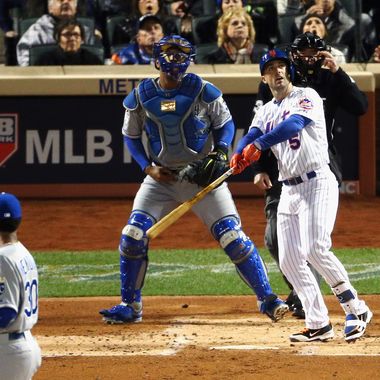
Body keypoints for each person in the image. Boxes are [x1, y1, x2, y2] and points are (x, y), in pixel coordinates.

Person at [99, 35, 289, 324]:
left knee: (233, 237)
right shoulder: (140, 96)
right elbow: (130, 135)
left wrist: (223, 151)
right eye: (169, 53)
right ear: (157, 59)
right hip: (161, 178)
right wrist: (146, 167)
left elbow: (224, 124)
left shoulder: (203, 90)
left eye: (180, 53)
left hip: (202, 176)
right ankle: (130, 306)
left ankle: (268, 299)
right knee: (132, 236)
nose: (174, 59)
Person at [230, 48, 372, 342]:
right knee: (290, 260)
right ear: (263, 76)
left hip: (317, 182)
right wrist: (239, 152)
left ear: (288, 71)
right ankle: (319, 322)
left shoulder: (306, 96)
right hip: (289, 189)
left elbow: (292, 125)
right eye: (271, 68)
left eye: (282, 66)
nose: (278, 71)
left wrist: (258, 146)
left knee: (316, 248)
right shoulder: (267, 109)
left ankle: (356, 309)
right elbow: (252, 133)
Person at [0, 192, 41, 379]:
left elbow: (6, 312)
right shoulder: (22, 252)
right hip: (21, 346)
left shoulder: (3, 259)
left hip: (7, 352)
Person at [16, 0, 98, 66]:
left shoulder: (86, 31)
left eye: (70, 0)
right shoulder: (36, 31)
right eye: (60, 0)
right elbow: (26, 65)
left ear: (76, 8)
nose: (66, 2)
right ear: (50, 8)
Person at [33, 18, 103, 65]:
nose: (72, 38)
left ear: (82, 39)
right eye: (67, 34)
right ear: (58, 38)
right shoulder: (44, 61)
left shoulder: (92, 60)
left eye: (76, 35)